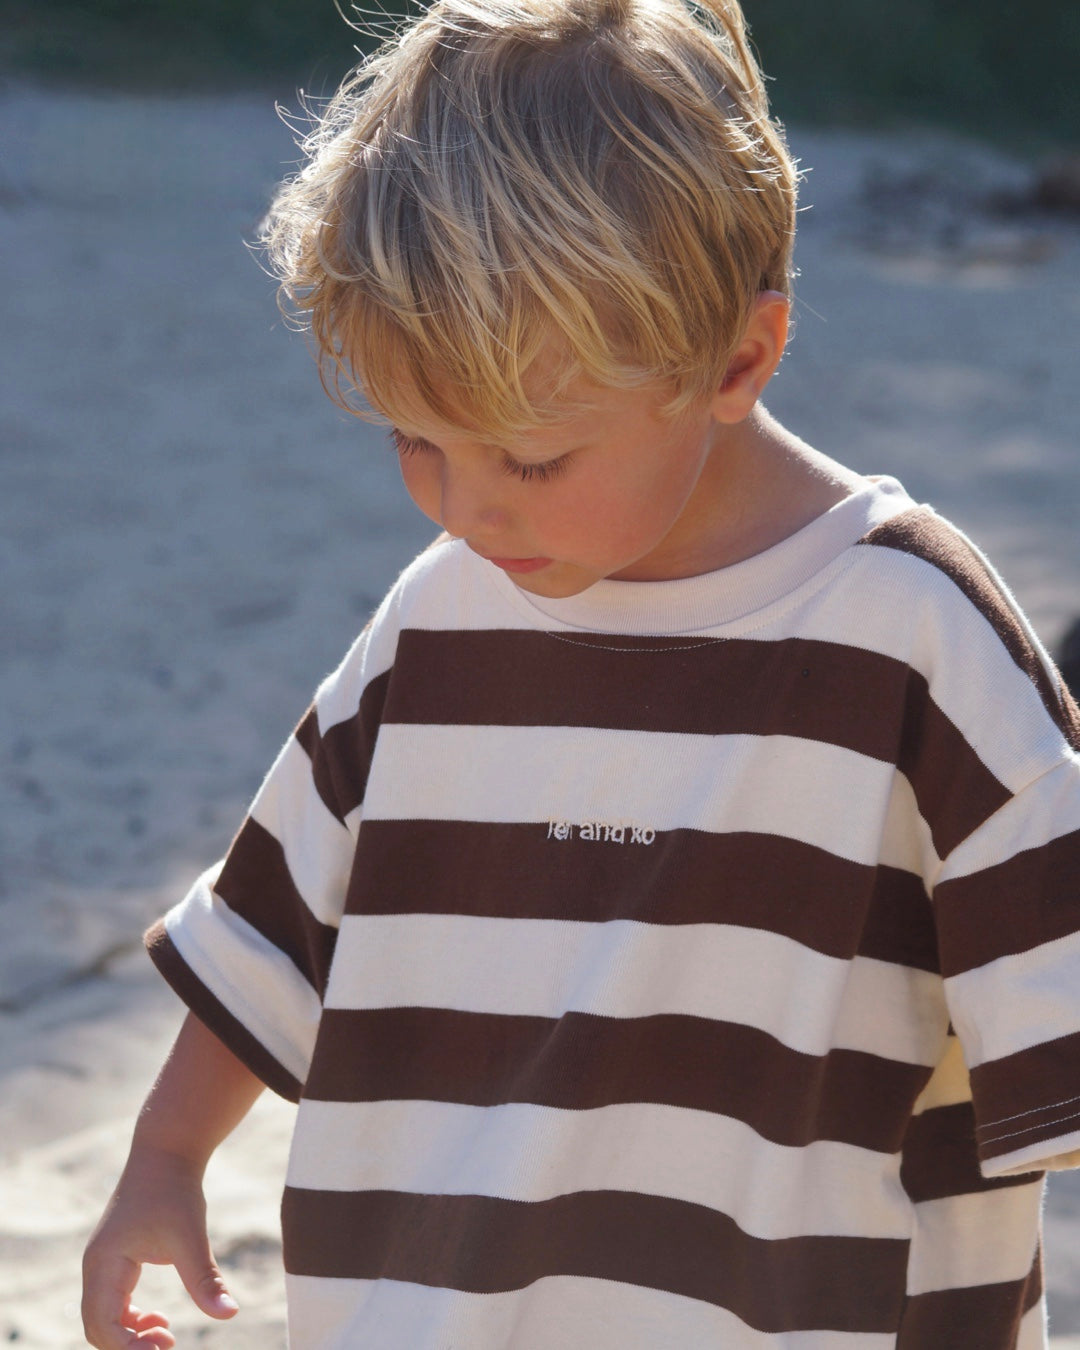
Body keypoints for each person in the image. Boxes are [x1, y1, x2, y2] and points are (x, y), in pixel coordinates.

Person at [81, 0, 1080, 1345]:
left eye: (532, 459)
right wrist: (165, 1157)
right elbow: (276, 929)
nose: (466, 510)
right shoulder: (440, 620)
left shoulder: (913, 637)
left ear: (739, 358)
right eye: (417, 442)